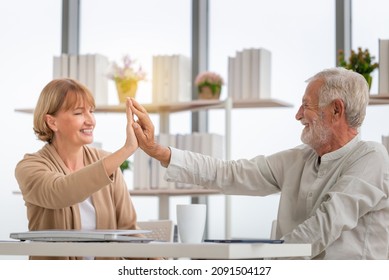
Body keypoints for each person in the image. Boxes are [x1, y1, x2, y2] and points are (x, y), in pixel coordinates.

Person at [130, 67, 389, 260]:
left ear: (336, 110)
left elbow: (325, 225)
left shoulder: (371, 157)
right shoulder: (299, 159)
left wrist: (265, 264)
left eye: (306, 106)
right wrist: (159, 151)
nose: (298, 115)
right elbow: (228, 173)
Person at [15, 78, 140, 260]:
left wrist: (156, 262)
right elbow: (61, 191)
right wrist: (127, 149)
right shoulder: (29, 167)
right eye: (79, 113)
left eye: (91, 111)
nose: (90, 121)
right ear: (52, 122)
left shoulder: (106, 161)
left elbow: (128, 231)